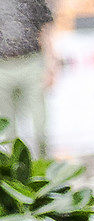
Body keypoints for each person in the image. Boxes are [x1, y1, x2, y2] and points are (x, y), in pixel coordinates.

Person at [0, 0, 49, 147]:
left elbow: (46, 28)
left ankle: (43, 163)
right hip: (3, 66)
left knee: (40, 123)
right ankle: (11, 168)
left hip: (32, 61)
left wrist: (50, 64)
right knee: (6, 127)